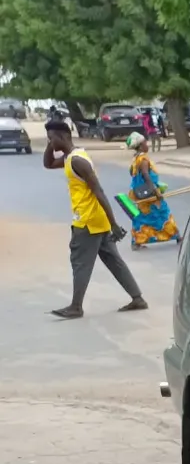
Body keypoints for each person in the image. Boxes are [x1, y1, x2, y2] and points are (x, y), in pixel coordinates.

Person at [41, 118, 146, 319]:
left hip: (87, 221)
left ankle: (76, 307)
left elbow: (99, 191)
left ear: (64, 136)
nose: (51, 142)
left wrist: (114, 224)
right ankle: (137, 298)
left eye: (52, 138)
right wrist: (50, 143)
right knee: (114, 261)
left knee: (80, 262)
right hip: (96, 220)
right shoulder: (71, 157)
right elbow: (48, 164)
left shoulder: (77, 161)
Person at [121, 132, 179, 248]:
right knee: (163, 213)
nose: (147, 145)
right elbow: (146, 175)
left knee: (141, 217)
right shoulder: (143, 159)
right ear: (140, 146)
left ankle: (137, 241)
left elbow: (133, 174)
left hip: (139, 193)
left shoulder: (136, 158)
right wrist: (156, 191)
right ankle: (176, 235)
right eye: (145, 143)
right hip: (149, 193)